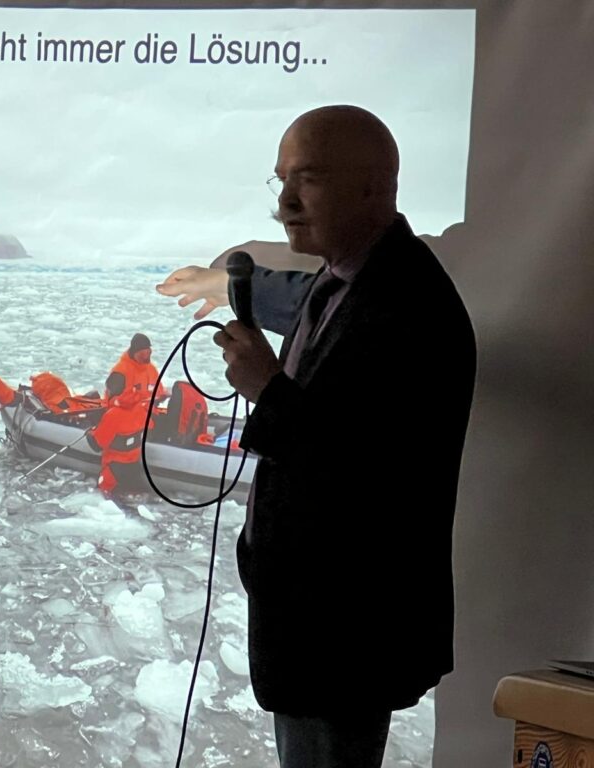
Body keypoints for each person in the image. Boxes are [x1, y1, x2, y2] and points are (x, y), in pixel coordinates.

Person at [157, 105, 476, 768]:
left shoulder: (410, 308)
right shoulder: (351, 279)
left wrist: (269, 388)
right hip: (314, 620)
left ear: (374, 189)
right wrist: (228, 283)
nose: (286, 202)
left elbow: (368, 473)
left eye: (308, 180)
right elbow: (300, 296)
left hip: (349, 629)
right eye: (279, 181)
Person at [86, 372, 152, 497]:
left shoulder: (113, 415)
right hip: (134, 467)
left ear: (110, 391)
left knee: (102, 498)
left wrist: (89, 432)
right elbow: (150, 425)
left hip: (113, 470)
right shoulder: (141, 407)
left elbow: (96, 445)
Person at [106, 332, 169, 403]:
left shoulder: (151, 369)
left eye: (149, 351)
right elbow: (112, 401)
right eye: (143, 353)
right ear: (135, 352)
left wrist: (163, 395)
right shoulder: (120, 372)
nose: (147, 355)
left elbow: (159, 392)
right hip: (125, 412)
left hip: (148, 411)